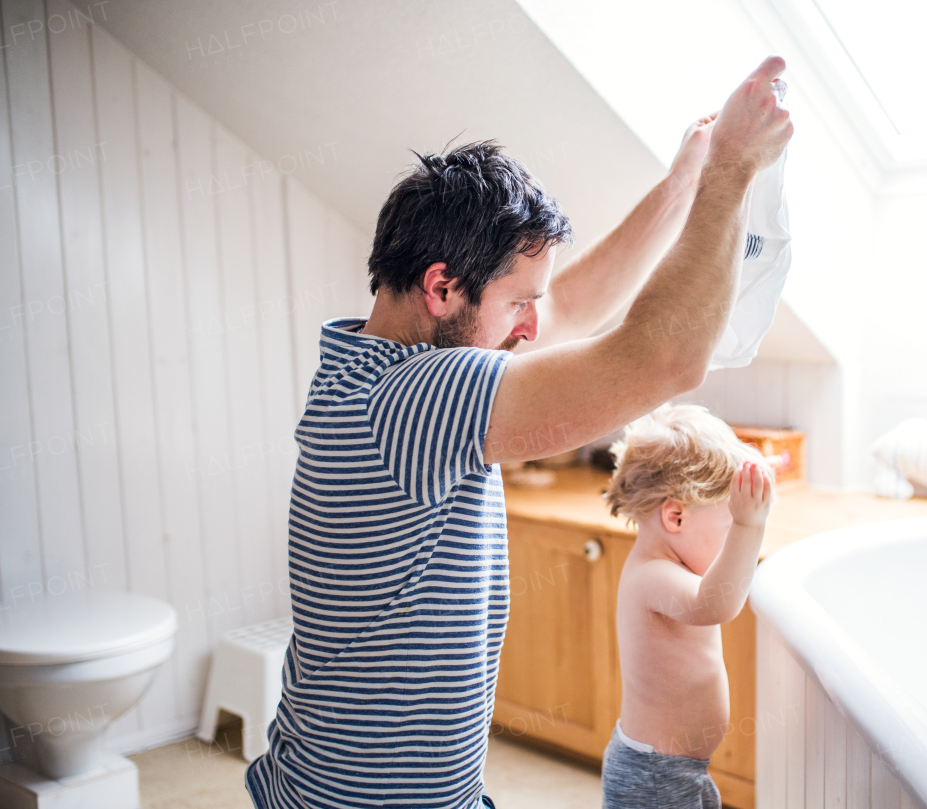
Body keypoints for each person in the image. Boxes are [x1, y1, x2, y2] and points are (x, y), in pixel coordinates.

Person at [245, 57, 792, 809]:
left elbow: (567, 305)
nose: (533, 327)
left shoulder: (364, 366)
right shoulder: (415, 398)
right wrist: (733, 170)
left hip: (337, 779)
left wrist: (680, 190)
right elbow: (663, 357)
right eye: (517, 304)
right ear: (441, 288)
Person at [601, 405, 774, 808]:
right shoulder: (651, 576)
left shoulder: (667, 568)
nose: (735, 540)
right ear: (676, 517)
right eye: (728, 528)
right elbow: (716, 605)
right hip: (655, 775)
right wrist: (749, 525)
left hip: (674, 769)